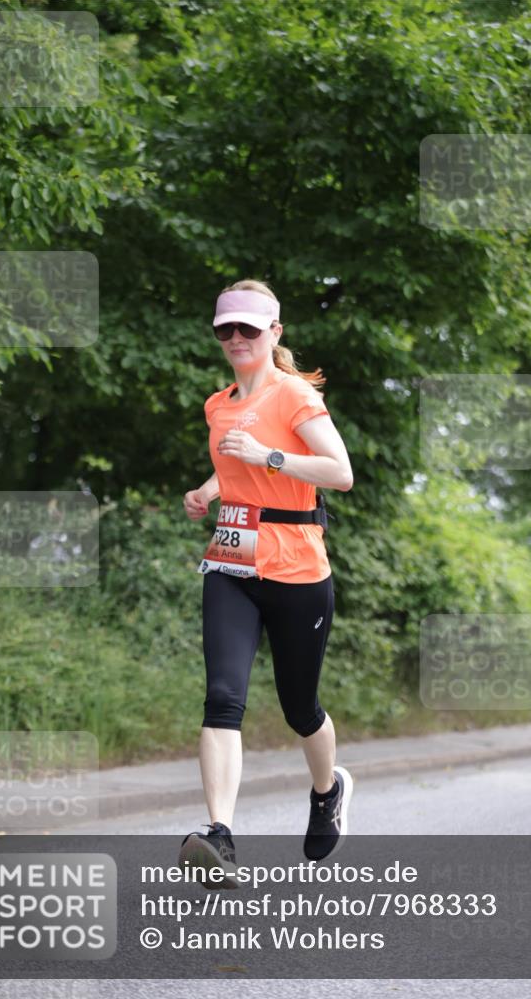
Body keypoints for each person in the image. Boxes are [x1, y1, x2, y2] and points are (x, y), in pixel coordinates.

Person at [179, 279, 354, 889]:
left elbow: (340, 472)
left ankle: (328, 789)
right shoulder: (217, 403)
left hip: (298, 568)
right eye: (225, 329)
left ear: (273, 332)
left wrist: (267, 458)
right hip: (232, 560)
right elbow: (234, 460)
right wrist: (209, 489)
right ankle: (219, 836)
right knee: (223, 696)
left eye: (247, 329)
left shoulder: (294, 395)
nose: (235, 339)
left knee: (299, 708)